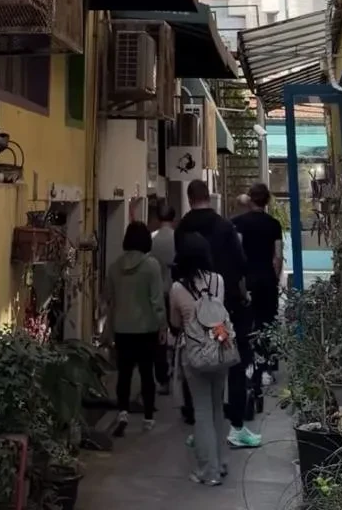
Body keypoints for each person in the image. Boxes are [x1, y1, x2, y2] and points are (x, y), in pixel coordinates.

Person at [176, 180, 262, 449]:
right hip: (226, 307)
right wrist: (242, 294)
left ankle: (200, 427)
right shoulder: (225, 227)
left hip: (192, 307)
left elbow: (179, 267)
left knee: (195, 364)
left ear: (190, 199)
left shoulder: (182, 229)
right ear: (208, 197)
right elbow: (241, 264)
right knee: (233, 362)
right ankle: (236, 426)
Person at [170, 233, 230, 486]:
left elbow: (175, 323)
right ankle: (220, 462)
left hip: (193, 353)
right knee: (217, 408)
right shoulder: (218, 281)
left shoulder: (177, 288)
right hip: (219, 348)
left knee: (202, 410)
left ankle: (208, 471)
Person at [105, 221, 166, 436]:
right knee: (147, 374)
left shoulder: (114, 267)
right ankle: (148, 418)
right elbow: (157, 300)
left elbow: (109, 299)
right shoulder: (152, 266)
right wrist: (162, 326)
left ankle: (123, 412)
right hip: (146, 328)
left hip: (122, 328)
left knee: (124, 373)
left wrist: (109, 328)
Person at [234, 183, 283, 403]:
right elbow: (278, 256)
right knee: (268, 323)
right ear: (267, 201)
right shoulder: (274, 224)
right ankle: (266, 368)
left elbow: (238, 254)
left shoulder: (239, 223)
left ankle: (247, 365)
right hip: (267, 280)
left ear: (250, 199)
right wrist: (275, 277)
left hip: (247, 281)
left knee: (246, 324)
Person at [151, 202, 177, 392]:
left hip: (157, 293)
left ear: (158, 218)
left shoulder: (152, 239)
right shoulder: (178, 238)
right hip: (176, 291)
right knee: (178, 332)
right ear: (173, 219)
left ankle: (163, 379)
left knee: (158, 337)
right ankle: (176, 369)